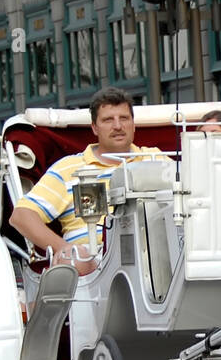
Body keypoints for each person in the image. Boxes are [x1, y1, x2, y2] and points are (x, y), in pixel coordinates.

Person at [9, 87, 161, 275]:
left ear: (133, 124)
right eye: (108, 120)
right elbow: (22, 216)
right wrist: (64, 248)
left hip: (157, 253)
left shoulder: (156, 158)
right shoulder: (68, 169)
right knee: (71, 260)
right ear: (94, 128)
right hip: (92, 263)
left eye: (124, 118)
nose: (118, 126)